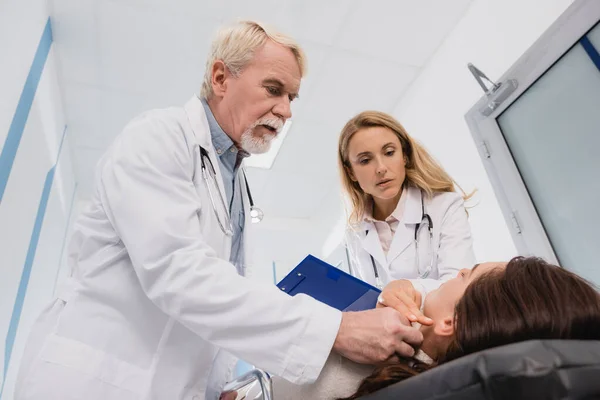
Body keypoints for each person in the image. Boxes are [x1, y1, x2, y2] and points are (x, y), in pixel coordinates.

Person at [14, 21, 422, 400]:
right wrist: (336, 329)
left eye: (292, 97)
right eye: (274, 89)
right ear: (221, 78)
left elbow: (214, 305)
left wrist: (216, 387)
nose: (287, 110)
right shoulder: (159, 138)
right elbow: (177, 273)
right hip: (93, 382)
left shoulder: (237, 184)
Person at [271, 256, 600, 400]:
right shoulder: (423, 371)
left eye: (463, 276)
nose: (456, 271)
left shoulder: (359, 361)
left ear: (450, 323)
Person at [338, 111, 476, 325]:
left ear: (405, 156)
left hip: (445, 332)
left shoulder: (444, 206)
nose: (381, 168)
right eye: (365, 160)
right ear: (352, 173)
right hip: (391, 343)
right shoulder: (354, 231)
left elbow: (461, 284)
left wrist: (409, 288)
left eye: (389, 152)